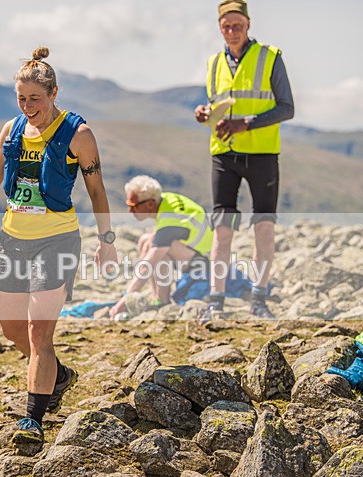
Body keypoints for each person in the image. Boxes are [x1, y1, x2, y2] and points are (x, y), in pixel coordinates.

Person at [0, 47, 117, 453]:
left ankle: (32, 417)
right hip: (13, 239)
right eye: (21, 99)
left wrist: (107, 241)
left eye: (36, 99)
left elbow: (96, 189)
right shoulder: (11, 129)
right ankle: (57, 374)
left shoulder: (78, 135)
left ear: (53, 93)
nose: (29, 107)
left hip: (58, 240)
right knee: (12, 329)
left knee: (38, 330)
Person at [194, 0, 294, 321]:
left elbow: (286, 108)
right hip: (224, 153)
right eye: (226, 26)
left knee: (263, 227)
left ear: (248, 25)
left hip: (263, 154)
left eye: (238, 25)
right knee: (222, 229)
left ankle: (259, 299)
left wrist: (246, 122)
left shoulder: (271, 57)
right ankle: (216, 300)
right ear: (219, 28)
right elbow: (218, 105)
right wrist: (205, 114)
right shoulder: (212, 63)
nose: (232, 31)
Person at [108, 175, 212, 318]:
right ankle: (156, 296)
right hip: (194, 254)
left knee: (156, 249)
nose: (130, 211)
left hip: (205, 264)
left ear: (150, 204)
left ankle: (163, 301)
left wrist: (125, 298)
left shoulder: (170, 219)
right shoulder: (165, 199)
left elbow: (147, 265)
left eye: (134, 206)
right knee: (146, 240)